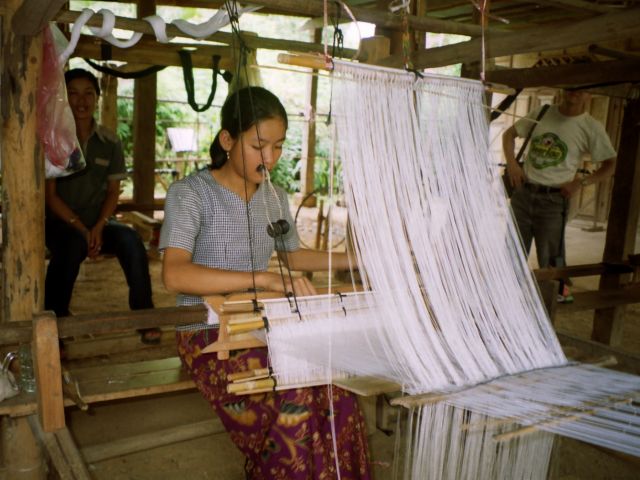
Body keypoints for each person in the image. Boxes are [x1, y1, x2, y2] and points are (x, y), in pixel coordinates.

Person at [160, 86, 370, 479]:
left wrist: (360, 259)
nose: (270, 158)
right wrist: (264, 280)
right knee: (295, 401)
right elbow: (175, 273)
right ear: (228, 139)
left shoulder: (273, 197)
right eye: (259, 146)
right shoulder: (190, 195)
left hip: (262, 324)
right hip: (208, 332)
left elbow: (293, 254)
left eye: (277, 146)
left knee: (337, 394)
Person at [45, 68, 159, 344]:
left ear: (97, 98)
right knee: (71, 246)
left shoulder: (110, 141)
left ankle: (144, 317)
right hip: (60, 225)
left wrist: (98, 226)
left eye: (88, 94)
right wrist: (83, 231)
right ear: (63, 98)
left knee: (131, 240)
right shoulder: (53, 139)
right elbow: (50, 196)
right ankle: (54, 322)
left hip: (98, 225)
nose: (81, 101)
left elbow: (112, 192)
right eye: (73, 93)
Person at [502, 89, 616, 301]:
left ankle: (550, 304)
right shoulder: (543, 113)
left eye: (580, 89)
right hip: (524, 194)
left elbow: (610, 165)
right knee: (512, 250)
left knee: (551, 258)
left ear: (589, 94)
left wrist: (581, 182)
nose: (574, 93)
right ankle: (508, 300)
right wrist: (512, 165)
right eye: (570, 87)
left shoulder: (590, 127)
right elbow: (509, 134)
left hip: (553, 201)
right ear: (562, 90)